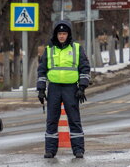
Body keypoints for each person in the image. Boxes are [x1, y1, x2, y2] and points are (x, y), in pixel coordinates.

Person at [36, 20, 90, 159]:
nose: (61, 36)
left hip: (71, 88)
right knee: (52, 120)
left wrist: (82, 87)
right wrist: (41, 89)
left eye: (64, 33)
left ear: (68, 34)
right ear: (56, 34)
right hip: (54, 88)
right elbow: (42, 70)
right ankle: (50, 150)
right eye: (59, 33)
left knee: (74, 119)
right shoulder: (49, 49)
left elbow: (84, 68)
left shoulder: (77, 48)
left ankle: (78, 150)